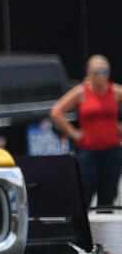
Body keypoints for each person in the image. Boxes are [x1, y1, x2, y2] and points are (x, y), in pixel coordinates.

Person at [50, 54, 122, 211]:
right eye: (97, 72)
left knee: (108, 193)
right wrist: (73, 132)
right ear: (89, 73)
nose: (101, 75)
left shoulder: (115, 91)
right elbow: (56, 112)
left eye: (104, 72)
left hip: (112, 149)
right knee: (85, 190)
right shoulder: (81, 92)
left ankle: (104, 229)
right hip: (88, 150)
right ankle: (82, 228)